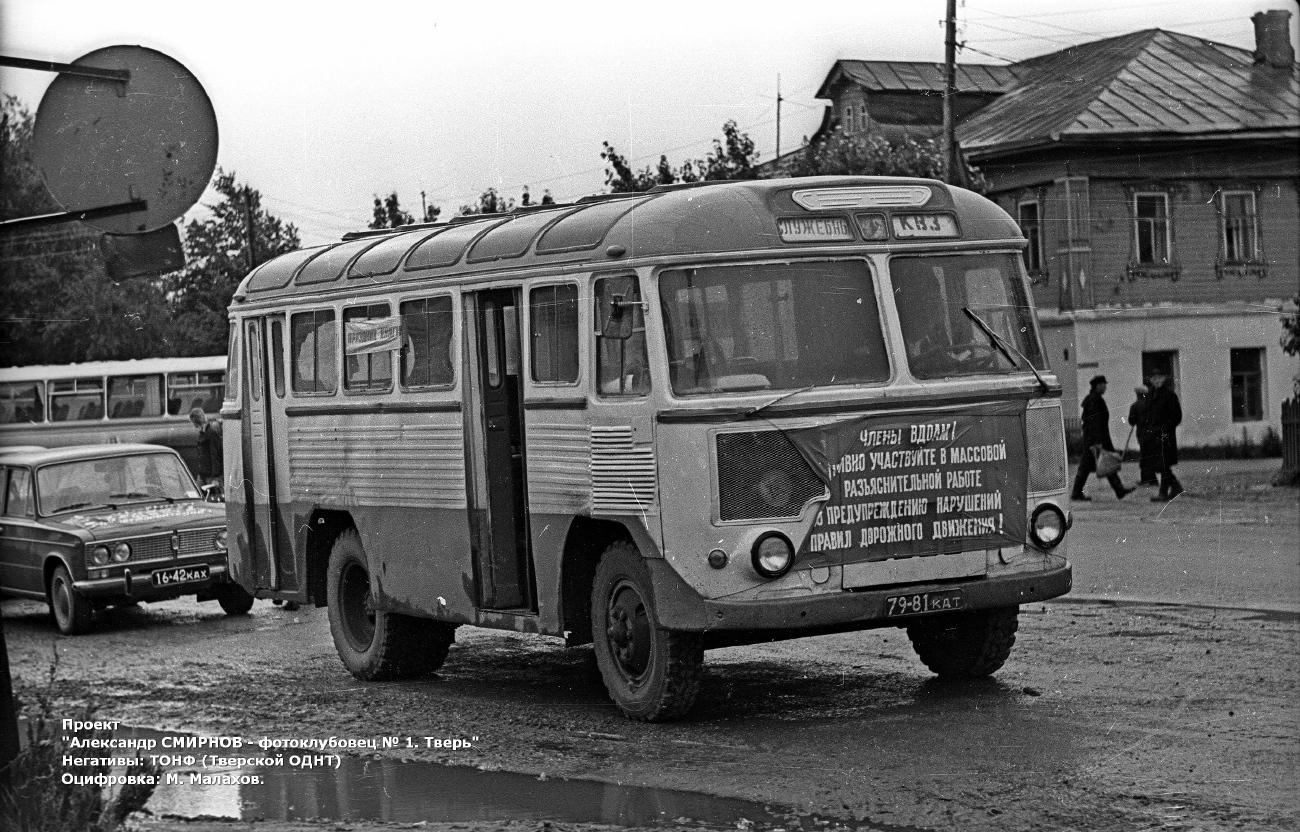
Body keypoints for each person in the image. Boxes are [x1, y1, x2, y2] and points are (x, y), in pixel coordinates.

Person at [1071, 375, 1134, 501]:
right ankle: (1076, 493)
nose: (1105, 386)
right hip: (1096, 440)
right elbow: (1095, 422)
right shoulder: (1095, 400)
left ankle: (1119, 489)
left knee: (1106, 462)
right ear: (1097, 386)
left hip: (1094, 439)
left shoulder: (1093, 399)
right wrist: (1097, 442)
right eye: (1103, 384)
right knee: (1088, 466)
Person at [1145, 369, 1185, 501]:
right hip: (1153, 436)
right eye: (1154, 378)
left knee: (1163, 464)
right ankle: (1176, 486)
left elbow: (1176, 417)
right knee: (1160, 464)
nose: (1157, 381)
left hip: (1165, 436)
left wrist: (1164, 428)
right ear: (1150, 380)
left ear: (1164, 378)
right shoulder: (1150, 395)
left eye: (1159, 378)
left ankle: (1163, 493)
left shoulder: (1169, 395)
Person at [1127, 383, 1159, 486]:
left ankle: (1148, 480)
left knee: (1144, 456)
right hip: (1153, 433)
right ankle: (1150, 479)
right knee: (1149, 455)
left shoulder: (1135, 405)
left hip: (1142, 434)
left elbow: (1131, 421)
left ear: (1138, 394)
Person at [189, 407, 223, 493]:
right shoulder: (203, 433)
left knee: (213, 495)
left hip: (210, 475)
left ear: (195, 421)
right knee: (198, 494)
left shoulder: (211, 433)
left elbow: (215, 455)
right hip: (203, 473)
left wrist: (216, 476)